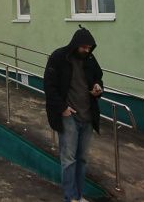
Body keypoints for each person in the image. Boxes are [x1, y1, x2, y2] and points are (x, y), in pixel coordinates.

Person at [44, 26, 103, 202]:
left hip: (87, 116)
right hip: (68, 116)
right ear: (76, 44)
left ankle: (78, 195)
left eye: (89, 48)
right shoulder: (59, 57)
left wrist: (98, 87)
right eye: (84, 47)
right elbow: (49, 86)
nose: (87, 51)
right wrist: (63, 108)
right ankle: (70, 198)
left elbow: (98, 77)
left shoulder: (90, 59)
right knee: (69, 159)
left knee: (82, 159)